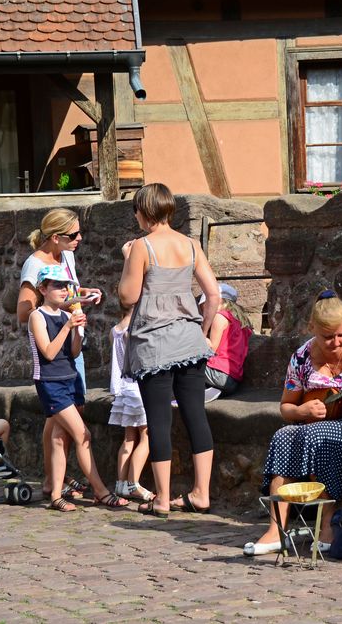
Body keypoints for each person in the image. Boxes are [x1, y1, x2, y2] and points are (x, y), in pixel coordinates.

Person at [243, 290, 342, 556]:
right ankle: (276, 529)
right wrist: (302, 410)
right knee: (284, 435)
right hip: (321, 426)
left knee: (317, 435)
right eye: (327, 337)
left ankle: (327, 524)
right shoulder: (302, 357)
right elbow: (286, 408)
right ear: (312, 329)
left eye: (340, 335)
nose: (336, 342)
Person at [118, 183, 220, 518]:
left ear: (144, 212)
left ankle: (162, 499)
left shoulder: (142, 247)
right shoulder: (190, 244)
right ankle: (201, 493)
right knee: (195, 416)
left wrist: (126, 259)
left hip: (154, 345)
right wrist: (202, 332)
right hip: (189, 342)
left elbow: (128, 296)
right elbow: (213, 296)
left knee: (159, 421)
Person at [29, 264, 128, 513]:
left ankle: (54, 494)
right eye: (57, 286)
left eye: (66, 286)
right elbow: (49, 353)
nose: (63, 290)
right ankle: (100, 490)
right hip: (50, 384)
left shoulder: (64, 316)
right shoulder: (37, 316)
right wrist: (67, 327)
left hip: (70, 379)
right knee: (83, 435)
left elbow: (72, 352)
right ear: (43, 288)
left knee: (59, 439)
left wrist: (78, 330)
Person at [17, 208, 101, 500]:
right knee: (62, 419)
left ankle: (55, 483)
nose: (79, 239)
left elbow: (63, 295)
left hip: (72, 344)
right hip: (54, 347)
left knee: (61, 420)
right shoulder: (34, 265)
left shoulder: (67, 256)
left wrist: (82, 295)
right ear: (55, 237)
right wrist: (66, 316)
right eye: (73, 235)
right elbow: (25, 311)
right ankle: (59, 484)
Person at [108, 302, 153, 502]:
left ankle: (121, 483)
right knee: (147, 436)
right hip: (136, 388)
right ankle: (134, 483)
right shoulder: (132, 331)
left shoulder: (114, 331)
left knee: (129, 438)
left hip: (122, 389)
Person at [199, 282, 253, 402]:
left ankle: (191, 393)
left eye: (205, 305)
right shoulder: (240, 322)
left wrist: (201, 337)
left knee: (183, 363)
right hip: (233, 380)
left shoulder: (220, 317)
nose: (204, 311)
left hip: (219, 374)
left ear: (218, 301)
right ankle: (213, 390)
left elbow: (212, 349)